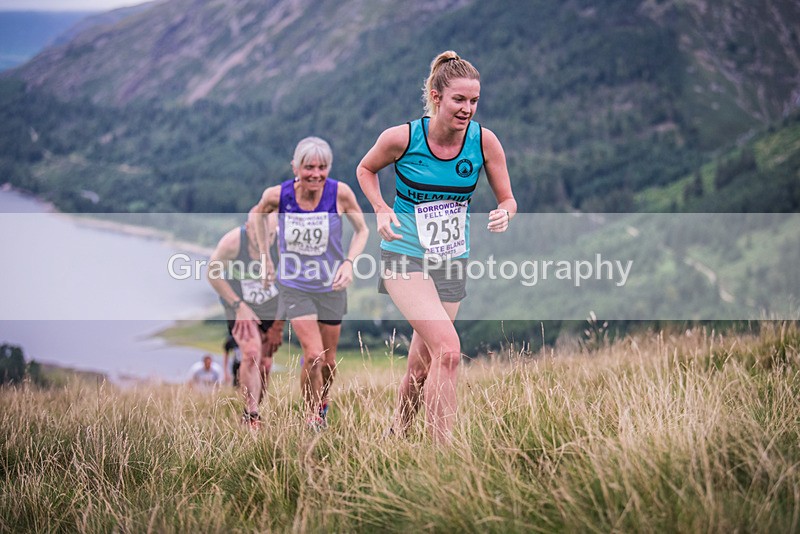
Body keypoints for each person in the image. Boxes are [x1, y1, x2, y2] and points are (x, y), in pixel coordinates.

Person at [356, 50, 517, 443]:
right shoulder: (402, 138)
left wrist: (504, 212)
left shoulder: (484, 142)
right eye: (459, 99)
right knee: (448, 349)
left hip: (451, 261)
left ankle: (397, 436)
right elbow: (365, 169)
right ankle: (442, 456)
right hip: (404, 255)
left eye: (474, 100)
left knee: (422, 365)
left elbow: (508, 199)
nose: (467, 109)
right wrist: (380, 208)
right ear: (436, 96)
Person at [254, 136, 369, 431]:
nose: (315, 174)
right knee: (314, 356)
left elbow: (362, 230)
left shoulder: (340, 193)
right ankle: (311, 417)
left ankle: (322, 402)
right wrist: (266, 257)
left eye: (322, 167)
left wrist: (349, 262)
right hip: (295, 286)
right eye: (308, 167)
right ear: (295, 167)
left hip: (332, 286)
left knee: (328, 362)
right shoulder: (278, 196)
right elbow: (257, 215)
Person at [207, 208, 285, 428]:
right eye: (259, 235)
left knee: (265, 365)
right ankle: (252, 415)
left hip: (271, 307)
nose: (265, 241)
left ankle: (252, 411)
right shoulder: (232, 243)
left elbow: (291, 286)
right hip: (239, 305)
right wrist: (238, 305)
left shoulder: (283, 245)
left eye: (270, 235)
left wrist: (278, 325)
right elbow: (212, 273)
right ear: (248, 228)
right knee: (250, 353)